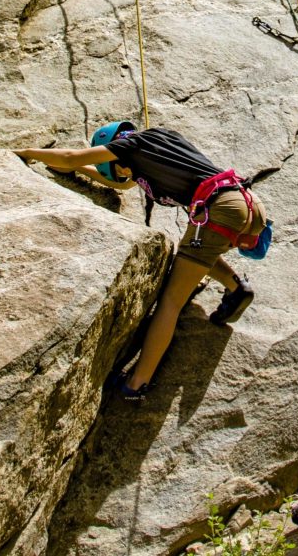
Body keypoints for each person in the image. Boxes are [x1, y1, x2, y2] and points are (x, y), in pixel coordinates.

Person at [14, 121, 268, 399]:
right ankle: (235, 287)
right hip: (247, 203)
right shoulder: (155, 144)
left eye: (118, 166)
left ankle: (136, 383)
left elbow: (71, 157)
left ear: (116, 150)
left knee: (171, 299)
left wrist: (26, 153)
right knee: (194, 253)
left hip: (223, 208)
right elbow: (116, 183)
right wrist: (77, 170)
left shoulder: (130, 146)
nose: (124, 174)